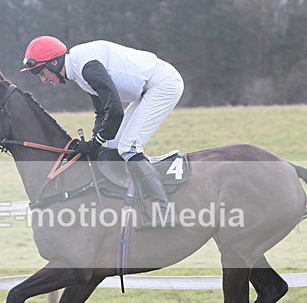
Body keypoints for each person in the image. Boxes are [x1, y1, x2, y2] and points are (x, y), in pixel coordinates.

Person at [20, 36, 184, 224]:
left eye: (42, 73)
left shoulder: (87, 68)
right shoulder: (80, 70)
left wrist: (94, 143)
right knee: (114, 147)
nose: (43, 80)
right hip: (148, 90)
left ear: (54, 63)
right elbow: (102, 113)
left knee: (129, 148)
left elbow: (115, 112)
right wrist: (94, 142)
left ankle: (165, 212)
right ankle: (131, 203)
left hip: (163, 85)